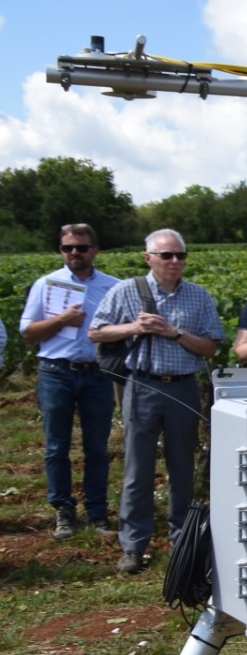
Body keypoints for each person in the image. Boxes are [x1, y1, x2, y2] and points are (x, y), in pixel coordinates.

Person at [88, 229, 225, 575]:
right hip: (141, 385)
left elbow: (211, 346)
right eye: (167, 256)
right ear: (148, 258)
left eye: (181, 255)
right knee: (137, 469)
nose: (175, 261)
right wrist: (134, 328)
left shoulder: (198, 296)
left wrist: (175, 334)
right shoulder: (125, 291)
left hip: (182, 387)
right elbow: (97, 332)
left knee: (182, 467)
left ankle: (182, 540)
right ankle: (133, 545)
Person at [20, 223, 117, 539]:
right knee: (57, 446)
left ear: (95, 250)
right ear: (61, 251)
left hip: (97, 374)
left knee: (97, 447)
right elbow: (28, 332)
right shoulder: (46, 284)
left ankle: (97, 512)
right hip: (56, 372)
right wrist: (63, 320)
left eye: (81, 247)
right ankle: (63, 510)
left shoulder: (113, 287)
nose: (74, 253)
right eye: (68, 248)